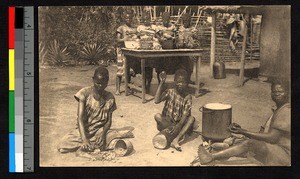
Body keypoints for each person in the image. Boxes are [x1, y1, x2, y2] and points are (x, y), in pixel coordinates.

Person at [198, 79, 291, 166]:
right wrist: (242, 130)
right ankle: (218, 152)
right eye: (274, 92)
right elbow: (264, 133)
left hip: (283, 154)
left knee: (249, 143)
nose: (277, 94)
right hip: (275, 148)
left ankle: (210, 157)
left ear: (288, 93)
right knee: (240, 141)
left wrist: (243, 131)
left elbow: (272, 138)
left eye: (280, 92)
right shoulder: (279, 109)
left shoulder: (286, 111)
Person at [57, 66, 133, 154]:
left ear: (107, 82)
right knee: (62, 145)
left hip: (99, 130)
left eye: (103, 83)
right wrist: (84, 139)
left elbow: (108, 121)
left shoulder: (110, 98)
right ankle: (90, 143)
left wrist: (103, 133)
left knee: (113, 140)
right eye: (98, 83)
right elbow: (80, 119)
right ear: (93, 79)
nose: (100, 86)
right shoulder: (84, 93)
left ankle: (94, 144)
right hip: (84, 130)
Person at [154, 69, 195, 151]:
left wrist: (178, 126)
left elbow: (185, 115)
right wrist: (161, 83)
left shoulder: (187, 97)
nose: (180, 84)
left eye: (183, 82)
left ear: (187, 84)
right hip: (168, 122)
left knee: (191, 119)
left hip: (179, 123)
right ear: (174, 81)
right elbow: (156, 100)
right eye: (178, 82)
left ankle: (176, 139)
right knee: (157, 116)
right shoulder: (170, 92)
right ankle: (177, 133)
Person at [115, 10, 139, 95]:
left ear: (132, 18)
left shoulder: (134, 28)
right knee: (120, 69)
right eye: (127, 18)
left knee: (128, 69)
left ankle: (127, 87)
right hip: (122, 50)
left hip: (131, 50)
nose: (128, 19)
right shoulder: (121, 28)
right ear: (124, 18)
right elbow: (117, 39)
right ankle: (117, 89)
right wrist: (124, 39)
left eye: (130, 18)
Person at [176, 13, 196, 84]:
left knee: (190, 65)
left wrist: (192, 43)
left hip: (190, 50)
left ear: (189, 21)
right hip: (181, 50)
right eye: (184, 21)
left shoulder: (193, 29)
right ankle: (182, 80)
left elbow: (196, 40)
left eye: (187, 21)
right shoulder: (179, 29)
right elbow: (177, 39)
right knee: (182, 65)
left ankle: (188, 79)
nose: (185, 23)